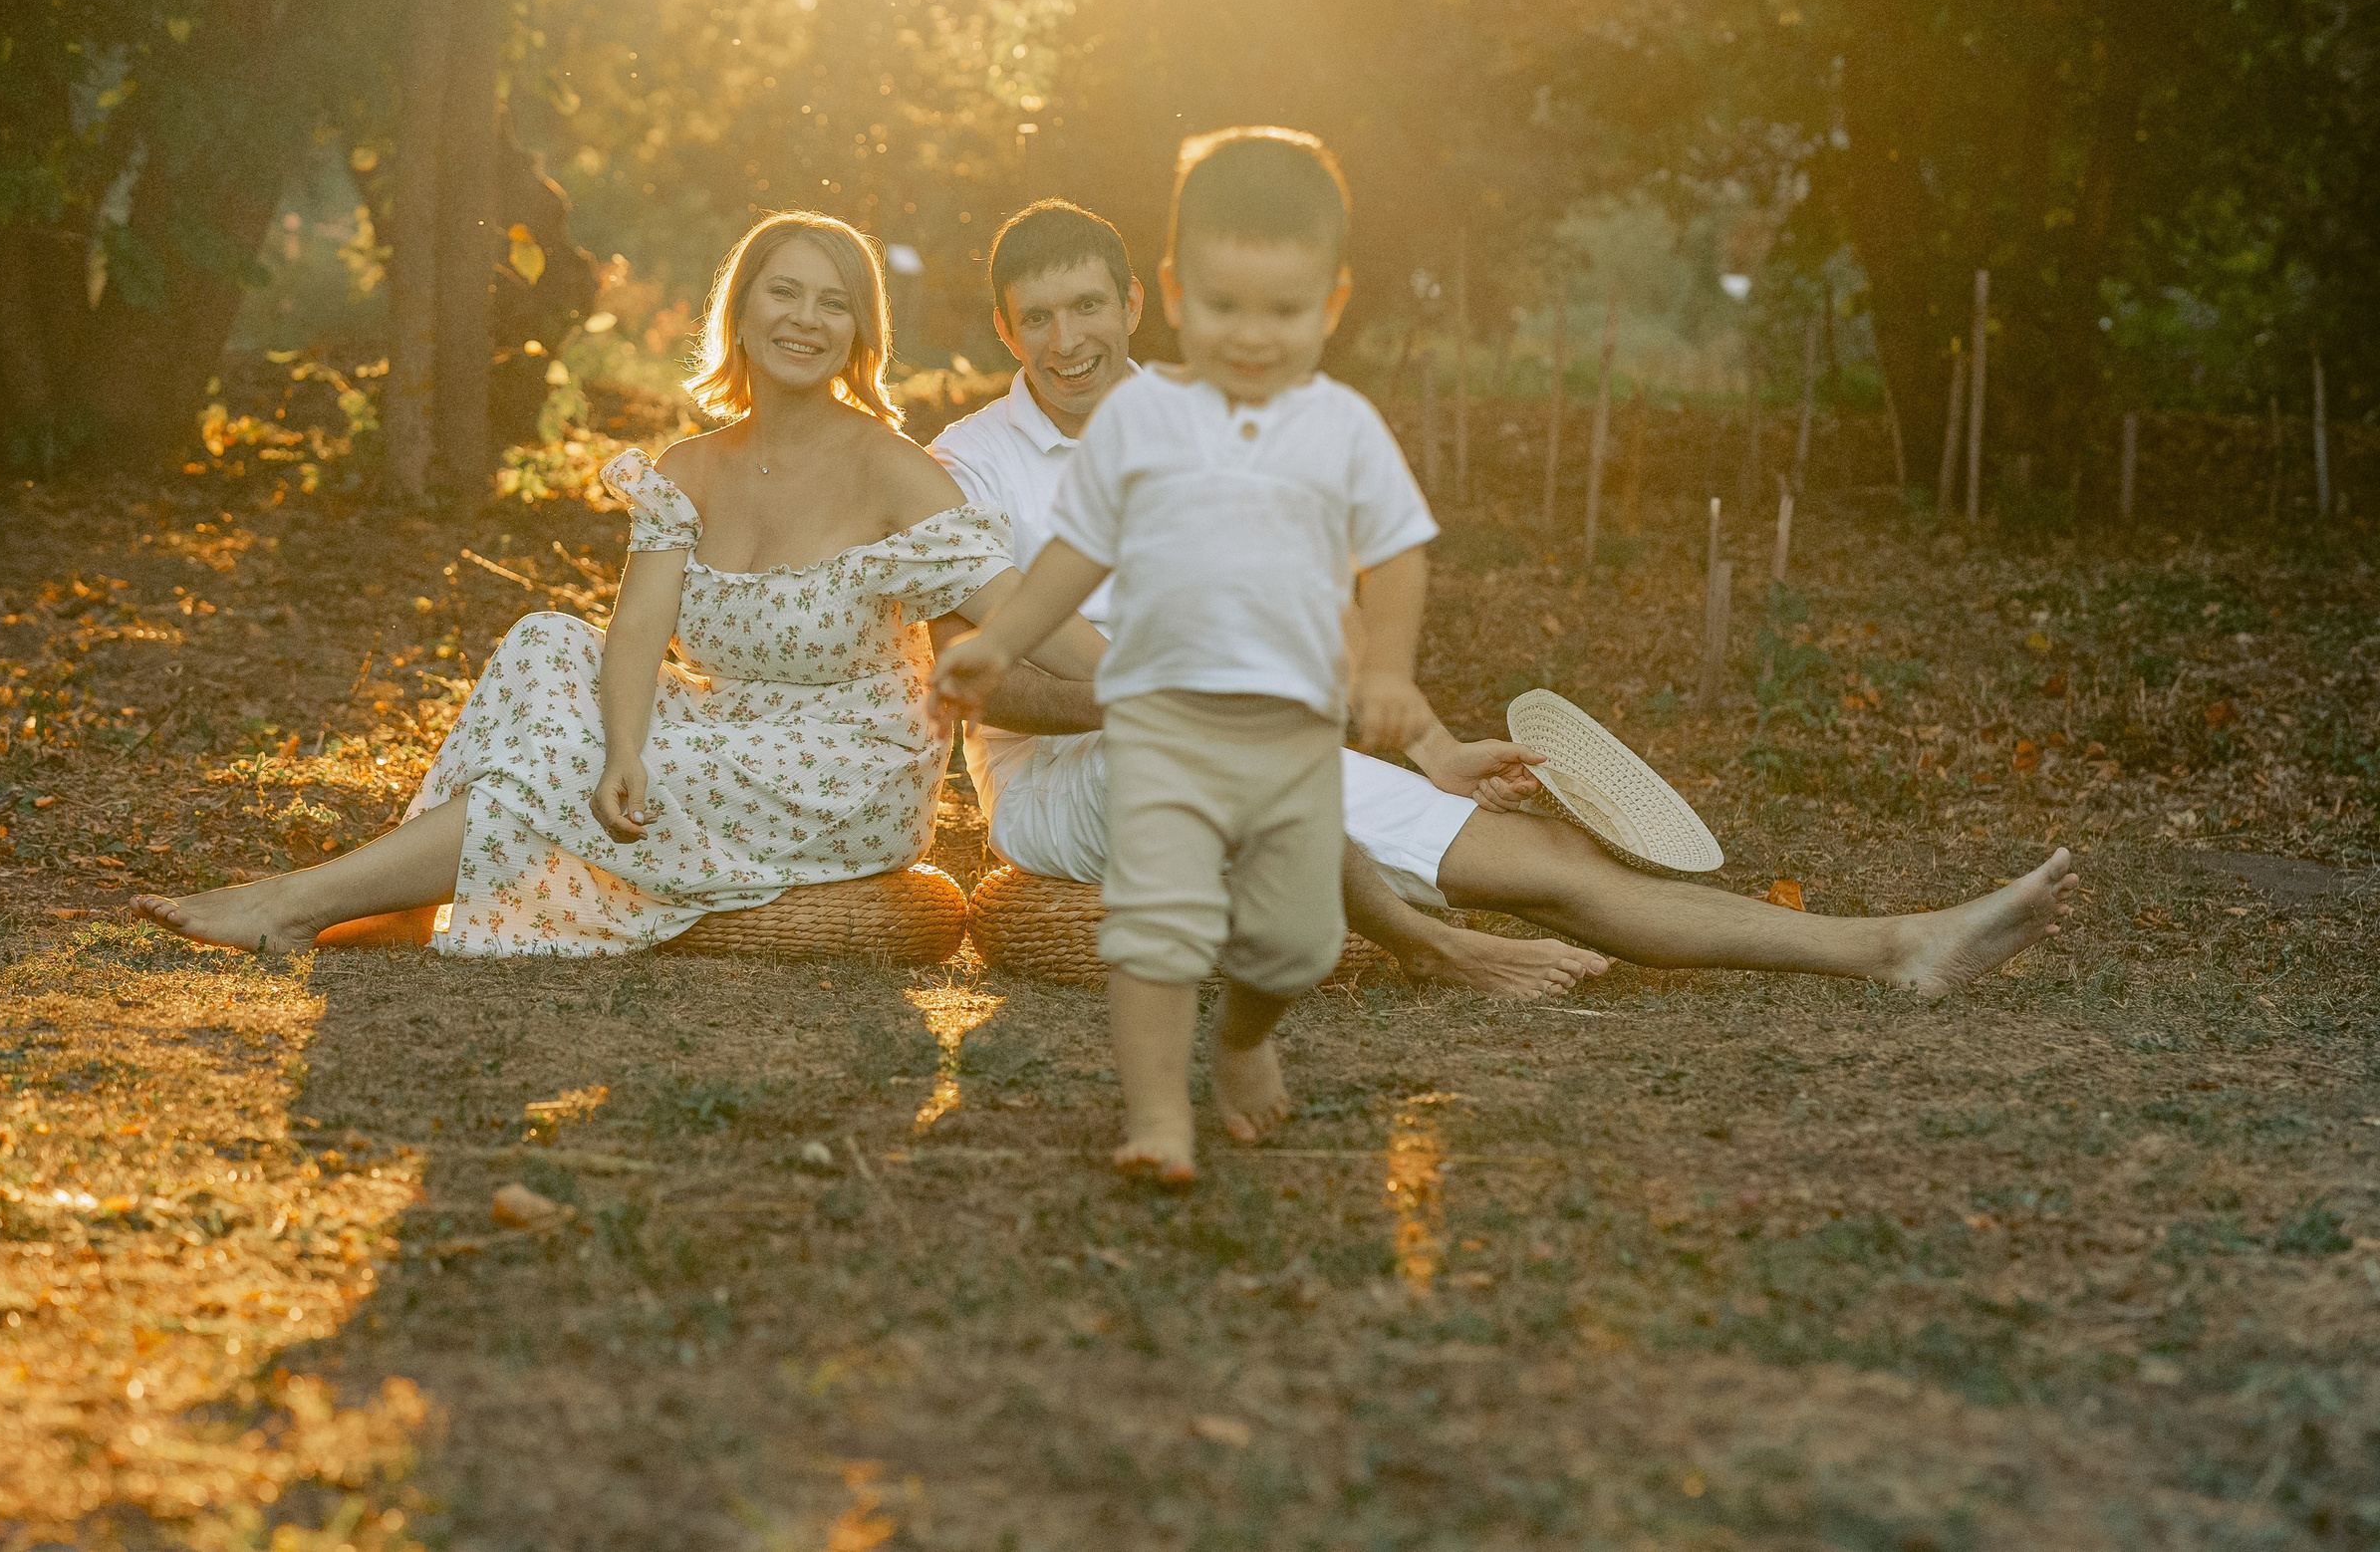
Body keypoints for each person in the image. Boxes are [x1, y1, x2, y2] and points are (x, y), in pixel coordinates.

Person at [932, 200, 2081, 1003]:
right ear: (1003, 328)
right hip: (1066, 787)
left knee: (1545, 862)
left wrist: (1429, 746)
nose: (1067, 339)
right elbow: (1000, 685)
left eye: (1087, 305)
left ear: (1132, 299)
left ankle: (1894, 947)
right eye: (1037, 317)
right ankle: (1439, 953)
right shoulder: (967, 463)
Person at [132, 211, 1099, 956]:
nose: (804, 319)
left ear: (858, 332)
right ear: (742, 308)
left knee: (558, 765)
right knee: (546, 642)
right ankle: (411, 890)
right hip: (725, 724)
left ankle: (291, 902)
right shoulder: (689, 466)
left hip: (844, 760)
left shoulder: (893, 469)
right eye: (783, 293)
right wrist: (624, 747)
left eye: (832, 302)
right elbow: (636, 631)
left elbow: (1027, 618)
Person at [934, 127, 1437, 1183]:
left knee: (1298, 939)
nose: (1250, 338)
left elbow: (1393, 554)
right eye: (1221, 309)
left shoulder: (1335, 428)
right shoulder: (1145, 419)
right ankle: (1158, 1116)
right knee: (1157, 931)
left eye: (1283, 313)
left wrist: (1385, 673)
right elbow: (1074, 557)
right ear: (1168, 293)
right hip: (1160, 734)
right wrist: (1001, 642)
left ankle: (1246, 1036)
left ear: (1331, 306)